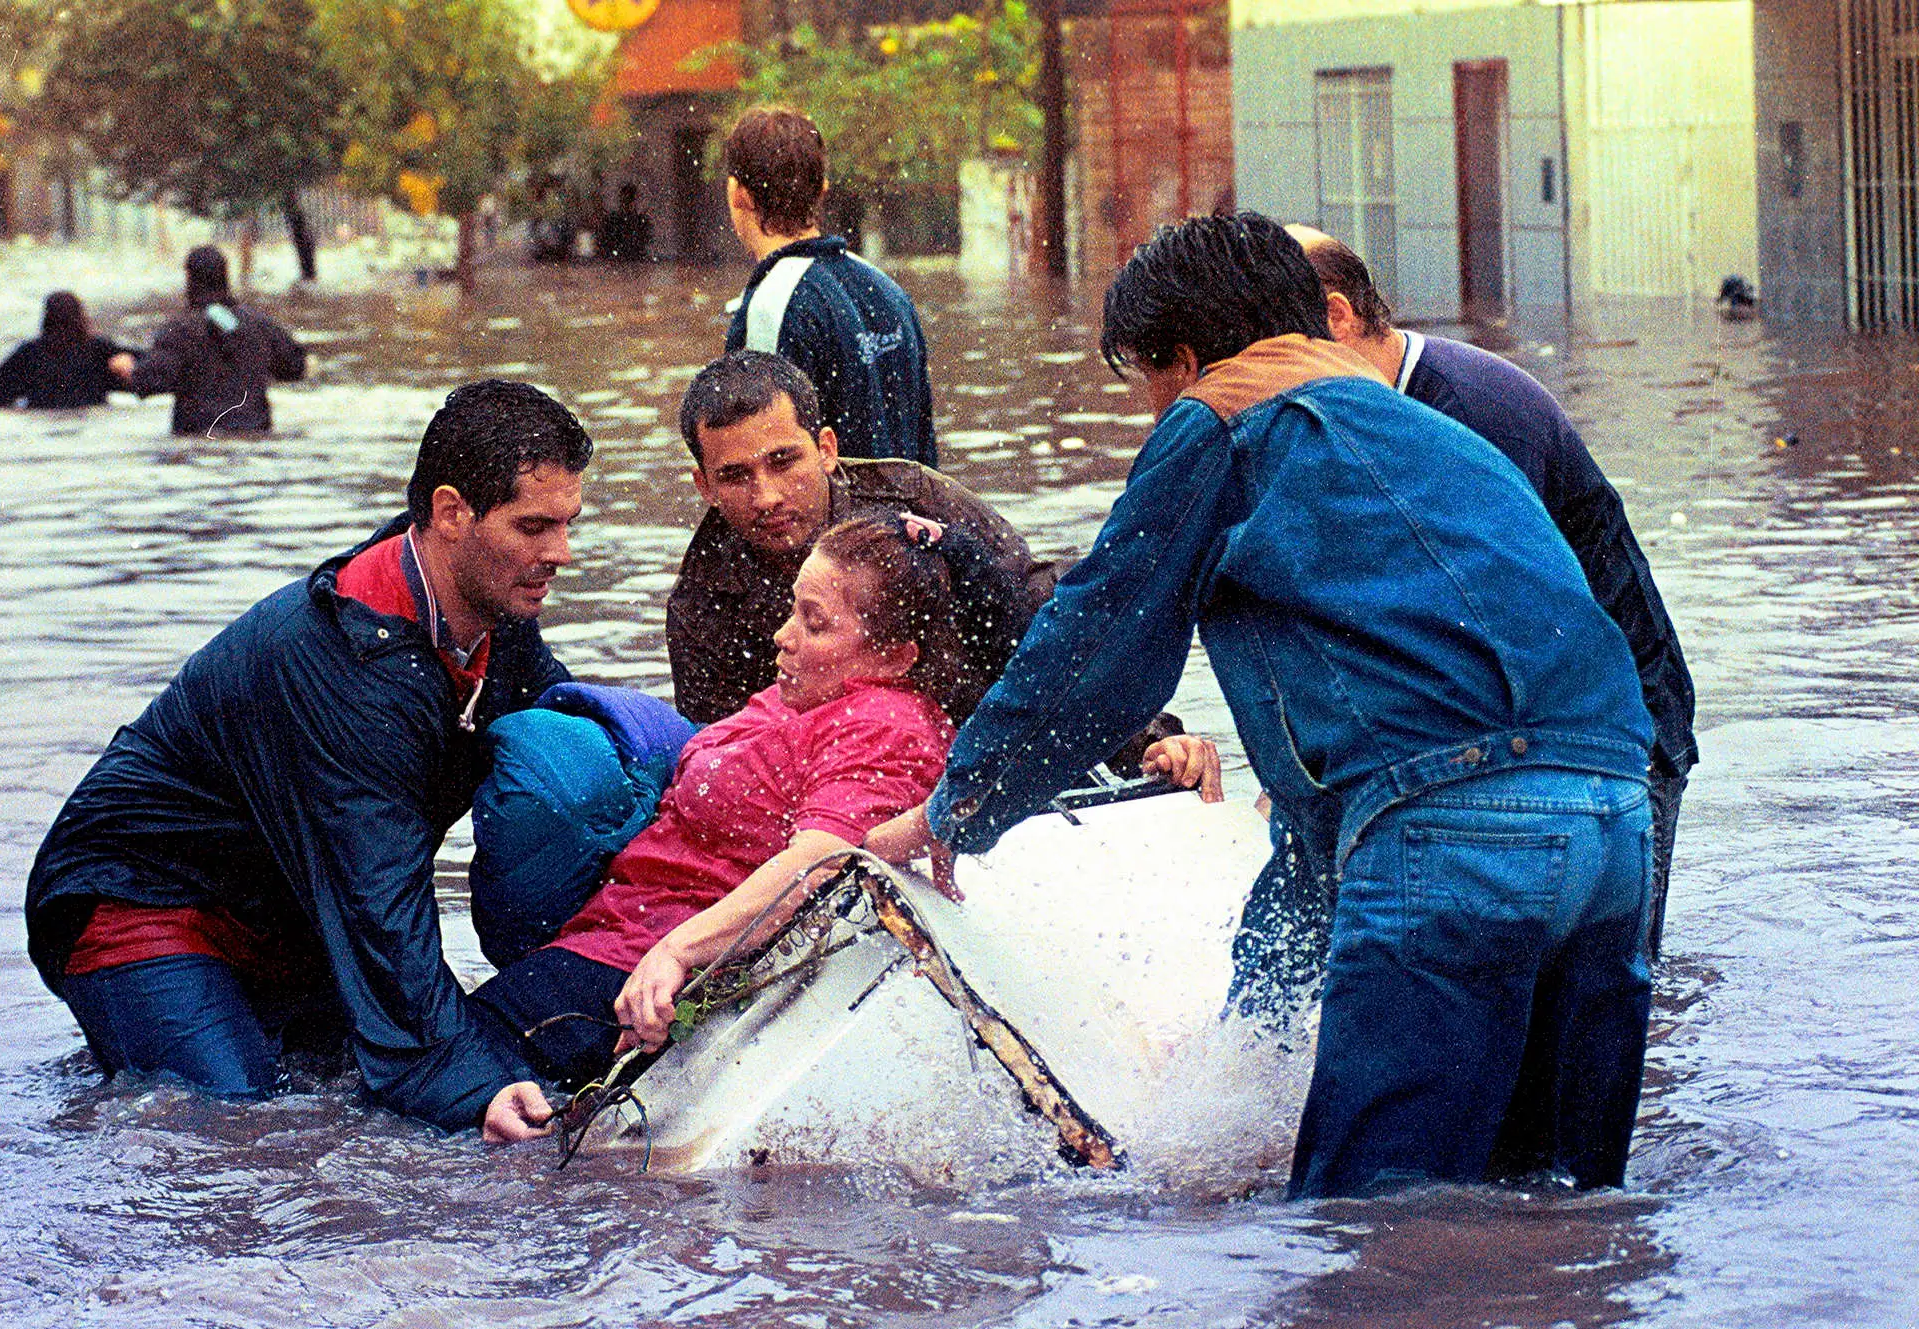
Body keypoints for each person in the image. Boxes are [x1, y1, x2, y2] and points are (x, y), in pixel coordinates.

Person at [870, 212, 1656, 1200]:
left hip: (1451, 828)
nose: (1154, 415)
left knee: (1372, 1235)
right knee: (1555, 1210)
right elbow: (1325, 831)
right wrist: (1243, 1044)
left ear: (1187, 359)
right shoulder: (1428, 431)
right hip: (1612, 823)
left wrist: (960, 805)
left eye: (1148, 385)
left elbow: (1096, 649)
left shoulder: (1223, 416)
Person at [473, 512, 1218, 1141]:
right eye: (793, 608)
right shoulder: (810, 690)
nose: (782, 635)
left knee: (424, 1072)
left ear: (895, 656)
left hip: (645, 967)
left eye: (815, 621)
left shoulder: (884, 724)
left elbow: (827, 857)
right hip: (611, 934)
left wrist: (675, 953)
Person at [24, 380, 591, 1131]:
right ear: (452, 513)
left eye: (569, 523)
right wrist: (475, 1087)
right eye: (535, 526)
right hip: (139, 897)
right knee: (236, 1119)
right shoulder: (353, 669)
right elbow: (382, 900)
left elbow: (571, 736)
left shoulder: (488, 596)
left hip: (287, 904)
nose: (562, 553)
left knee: (345, 1085)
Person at [1287, 224, 1696, 962]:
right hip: (1505, 735)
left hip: (1617, 729)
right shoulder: (1351, 414)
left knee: (1602, 985)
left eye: (1275, 343)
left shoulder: (1474, 410)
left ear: (1337, 318)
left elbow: (1507, 622)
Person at [666, 349, 1054, 726]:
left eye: (783, 462)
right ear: (705, 487)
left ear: (826, 449)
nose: (766, 497)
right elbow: (723, 751)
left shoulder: (916, 498)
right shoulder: (700, 604)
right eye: (736, 476)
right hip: (827, 763)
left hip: (982, 726)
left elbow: (1039, 605)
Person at [722, 106, 936, 465]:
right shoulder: (888, 290)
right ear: (822, 189)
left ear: (737, 193)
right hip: (910, 521)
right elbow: (923, 447)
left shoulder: (770, 307)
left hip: (831, 523)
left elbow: (758, 466)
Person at [116, 245, 306, 435]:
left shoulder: (179, 331)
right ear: (225, 276)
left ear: (189, 278)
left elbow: (149, 381)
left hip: (196, 439)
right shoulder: (261, 325)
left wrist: (128, 370)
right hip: (255, 435)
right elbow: (296, 367)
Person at [0, 292, 137, 409]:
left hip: (39, 421)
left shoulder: (29, 352)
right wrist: (124, 361)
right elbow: (148, 365)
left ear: (46, 318)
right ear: (80, 317)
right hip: (91, 420)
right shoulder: (98, 348)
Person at [595, 182, 653, 262]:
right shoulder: (613, 220)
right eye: (626, 199)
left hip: (633, 261)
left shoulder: (641, 222)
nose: (628, 203)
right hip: (619, 261)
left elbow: (644, 242)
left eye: (630, 199)